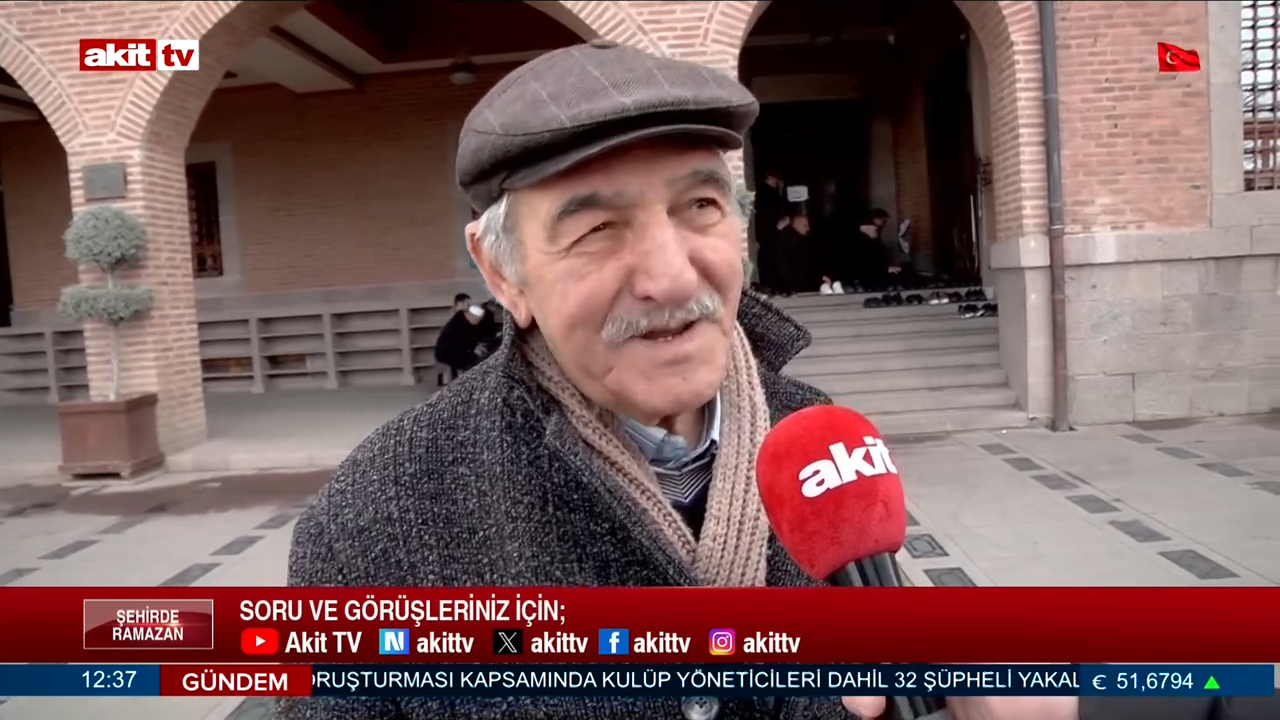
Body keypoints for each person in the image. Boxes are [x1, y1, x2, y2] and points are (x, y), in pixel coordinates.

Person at [281, 39, 1271, 720]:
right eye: (596, 229)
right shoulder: (384, 510)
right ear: (502, 273)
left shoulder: (820, 441)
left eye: (700, 206)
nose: (672, 276)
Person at [753, 168, 790, 294]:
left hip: (769, 232)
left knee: (773, 259)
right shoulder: (767, 194)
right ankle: (778, 287)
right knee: (775, 260)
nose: (777, 181)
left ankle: (774, 287)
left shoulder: (770, 193)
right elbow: (767, 215)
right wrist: (776, 226)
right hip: (771, 233)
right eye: (775, 178)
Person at [432, 303, 489, 380]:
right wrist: (474, 351)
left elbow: (467, 341)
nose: (478, 321)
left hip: (450, 353)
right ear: (470, 315)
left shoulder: (462, 321)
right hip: (447, 355)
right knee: (475, 362)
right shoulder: (458, 326)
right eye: (478, 319)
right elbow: (460, 346)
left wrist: (475, 347)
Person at [775, 211, 815, 295]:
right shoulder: (792, 239)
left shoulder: (790, 238)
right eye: (805, 225)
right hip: (792, 283)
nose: (808, 228)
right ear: (797, 224)